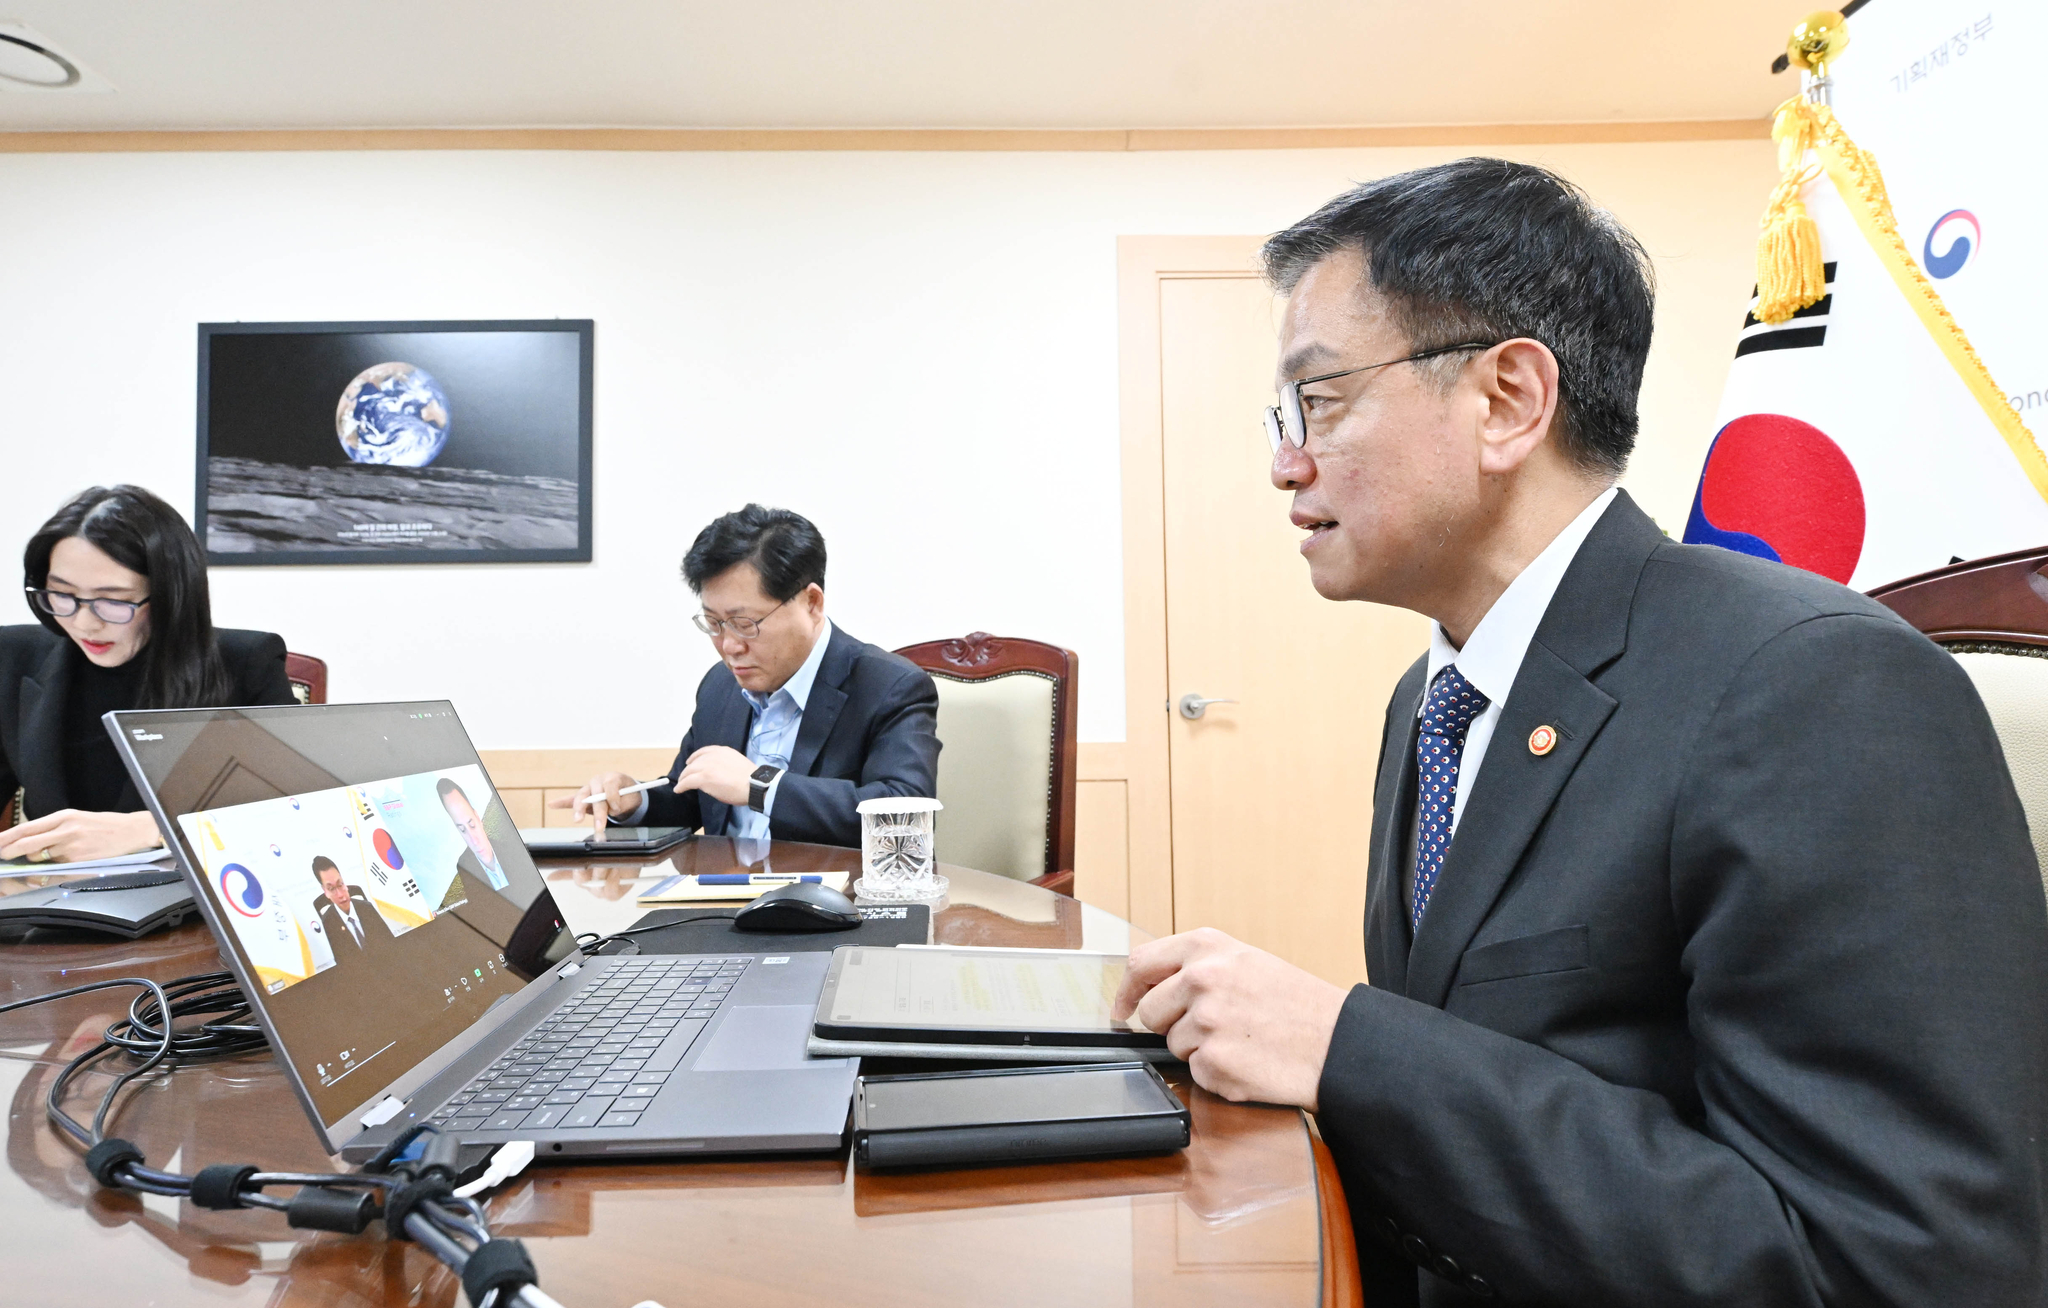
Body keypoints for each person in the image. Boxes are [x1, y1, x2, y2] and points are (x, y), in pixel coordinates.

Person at [1111, 159, 2048, 1305]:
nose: (1281, 461)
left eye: (1320, 399)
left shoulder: (1815, 686)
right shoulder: (1434, 698)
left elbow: (1890, 1268)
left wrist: (1348, 1049)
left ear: (1507, 399)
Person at [555, 504, 939, 848]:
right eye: (713, 623)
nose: (729, 646)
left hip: (837, 911)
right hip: (722, 908)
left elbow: (903, 818)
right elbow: (692, 800)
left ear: (812, 603)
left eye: (745, 623)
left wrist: (761, 786)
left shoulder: (889, 686)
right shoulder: (719, 687)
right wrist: (635, 801)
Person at [0, 486, 296, 865]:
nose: (84, 623)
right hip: (52, 901)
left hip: (185, 906)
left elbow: (293, 816)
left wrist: (154, 829)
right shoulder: (14, 656)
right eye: (62, 595)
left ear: (171, 594)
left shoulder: (246, 663)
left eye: (113, 600)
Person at [310, 855, 395, 954]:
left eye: (340, 884)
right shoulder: (327, 924)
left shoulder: (367, 908)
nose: (340, 894)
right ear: (325, 891)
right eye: (332, 889)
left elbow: (391, 945)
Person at [437, 776, 509, 891]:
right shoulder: (464, 866)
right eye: (463, 830)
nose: (474, 841)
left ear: (478, 817)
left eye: (472, 825)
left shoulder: (510, 849)